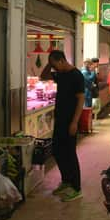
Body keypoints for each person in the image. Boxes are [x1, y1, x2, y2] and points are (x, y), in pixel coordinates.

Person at [40, 51, 84, 202]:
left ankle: (76, 188)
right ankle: (66, 182)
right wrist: (49, 63)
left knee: (70, 153)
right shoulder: (61, 74)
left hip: (70, 121)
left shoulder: (76, 75)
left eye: (54, 64)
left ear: (61, 60)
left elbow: (80, 100)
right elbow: (43, 76)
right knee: (58, 151)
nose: (54, 68)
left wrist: (75, 122)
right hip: (60, 120)